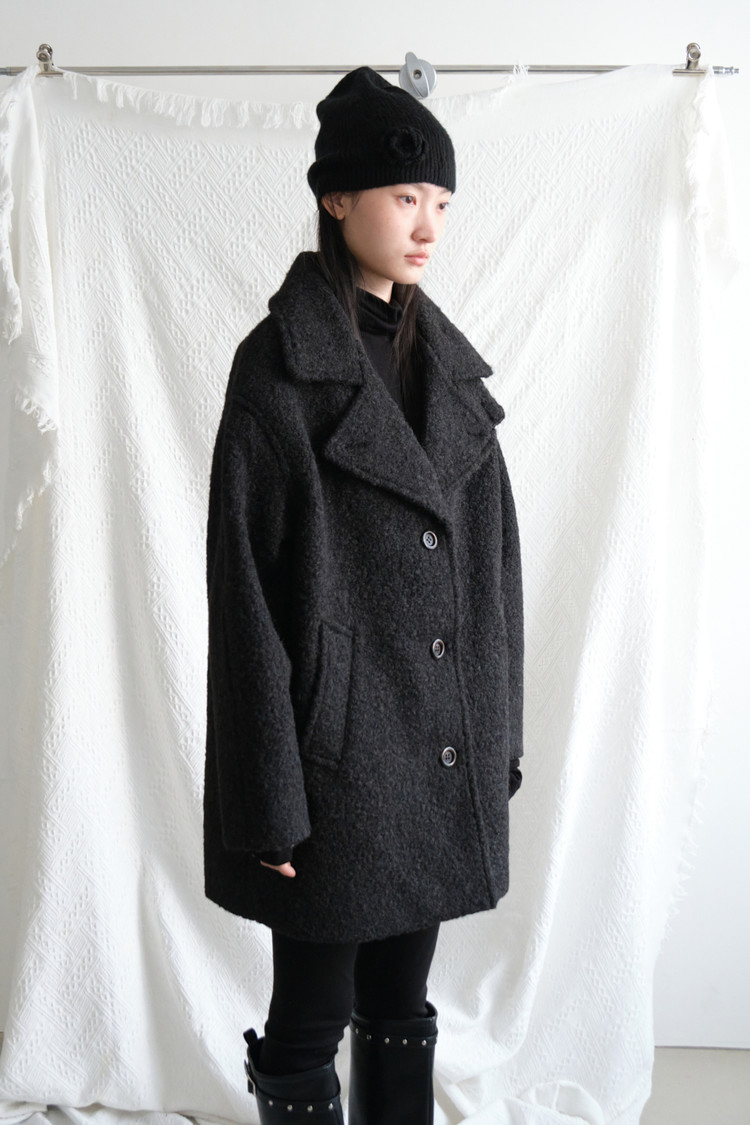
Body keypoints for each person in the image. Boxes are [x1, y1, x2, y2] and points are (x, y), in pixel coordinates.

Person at [203, 66, 524, 1125]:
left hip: (435, 746)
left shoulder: (452, 379)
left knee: (400, 998)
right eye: (404, 197)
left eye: (441, 202)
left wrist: (496, 731)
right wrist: (267, 793)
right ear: (337, 197)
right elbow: (244, 596)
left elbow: (496, 575)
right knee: (310, 1014)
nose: (428, 225)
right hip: (331, 764)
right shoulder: (277, 372)